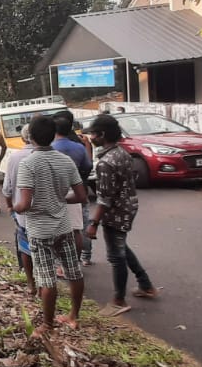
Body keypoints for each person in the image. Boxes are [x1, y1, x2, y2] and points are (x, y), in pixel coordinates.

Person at [13, 115, 89, 332]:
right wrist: (60, 199)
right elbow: (82, 196)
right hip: (64, 226)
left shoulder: (28, 164)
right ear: (53, 134)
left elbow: (25, 203)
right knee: (73, 271)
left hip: (40, 229)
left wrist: (15, 208)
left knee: (47, 279)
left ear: (31, 137)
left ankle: (48, 324)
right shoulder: (65, 161)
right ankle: (74, 316)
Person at [83, 114, 158, 317]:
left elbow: (104, 199)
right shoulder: (121, 153)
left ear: (102, 135)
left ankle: (119, 300)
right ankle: (145, 284)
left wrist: (93, 223)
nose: (90, 137)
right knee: (121, 247)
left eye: (92, 133)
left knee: (116, 257)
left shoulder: (106, 163)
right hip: (128, 207)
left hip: (115, 212)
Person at [3, 124, 39, 295]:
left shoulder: (16, 158)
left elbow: (7, 188)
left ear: (24, 138)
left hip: (23, 214)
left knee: (25, 248)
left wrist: (10, 206)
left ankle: (31, 283)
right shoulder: (51, 156)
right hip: (47, 215)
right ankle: (45, 283)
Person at [53, 115, 92, 263]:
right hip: (77, 190)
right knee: (80, 227)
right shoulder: (79, 147)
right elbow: (88, 167)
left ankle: (60, 261)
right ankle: (83, 257)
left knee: (58, 228)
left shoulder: (50, 148)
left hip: (56, 192)